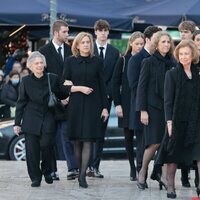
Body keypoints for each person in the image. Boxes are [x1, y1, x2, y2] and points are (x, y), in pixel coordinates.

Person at [13, 51, 71, 187]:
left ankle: (47, 171)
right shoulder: (26, 81)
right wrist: (17, 123)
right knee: (32, 151)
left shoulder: (52, 78)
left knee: (47, 145)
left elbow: (62, 94)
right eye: (36, 63)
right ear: (31, 66)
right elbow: (21, 103)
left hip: (48, 117)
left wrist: (67, 87)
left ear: (44, 64)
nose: (39, 65)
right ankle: (35, 178)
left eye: (41, 63)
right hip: (31, 119)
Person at [62, 32, 109, 188]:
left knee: (88, 140)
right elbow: (64, 85)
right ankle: (79, 171)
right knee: (77, 141)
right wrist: (79, 88)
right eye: (83, 42)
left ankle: (82, 176)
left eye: (88, 42)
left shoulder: (98, 62)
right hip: (75, 105)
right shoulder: (70, 61)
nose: (86, 45)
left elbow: (103, 86)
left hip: (92, 105)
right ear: (77, 45)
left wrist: (105, 108)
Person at [136, 31, 176, 190]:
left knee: (167, 144)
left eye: (168, 42)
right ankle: (143, 171)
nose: (166, 44)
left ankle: (164, 176)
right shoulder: (148, 61)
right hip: (152, 109)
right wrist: (142, 110)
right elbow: (141, 87)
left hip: (170, 109)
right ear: (157, 44)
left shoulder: (174, 62)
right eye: (163, 42)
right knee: (153, 143)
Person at [39, 20, 78, 181]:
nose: (67, 34)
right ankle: (52, 170)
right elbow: (43, 78)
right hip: (51, 101)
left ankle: (72, 168)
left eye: (67, 31)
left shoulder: (71, 51)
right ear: (56, 33)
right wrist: (60, 97)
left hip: (69, 101)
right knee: (50, 138)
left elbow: (74, 75)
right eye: (64, 32)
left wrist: (67, 95)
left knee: (67, 136)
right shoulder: (43, 51)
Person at [162, 40, 200, 198]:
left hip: (196, 120)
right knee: (173, 156)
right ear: (178, 55)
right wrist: (169, 122)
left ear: (193, 56)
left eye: (187, 54)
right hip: (177, 121)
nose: (184, 57)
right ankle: (170, 186)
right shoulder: (171, 74)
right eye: (182, 54)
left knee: (199, 154)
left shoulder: (198, 73)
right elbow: (168, 101)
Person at [127, 26, 161, 181]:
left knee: (158, 143)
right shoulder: (136, 59)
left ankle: (157, 173)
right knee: (142, 144)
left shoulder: (160, 58)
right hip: (142, 108)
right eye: (157, 38)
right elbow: (134, 85)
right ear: (148, 39)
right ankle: (142, 175)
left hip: (159, 109)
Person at [88, 19, 120, 178]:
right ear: (95, 32)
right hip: (87, 97)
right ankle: (84, 166)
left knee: (100, 135)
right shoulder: (88, 48)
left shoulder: (114, 52)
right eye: (100, 30)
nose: (103, 33)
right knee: (86, 133)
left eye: (105, 30)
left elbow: (115, 78)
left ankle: (95, 166)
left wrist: (108, 96)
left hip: (106, 99)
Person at [112, 31, 144, 181]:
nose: (139, 46)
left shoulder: (145, 59)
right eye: (136, 43)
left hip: (140, 103)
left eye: (141, 44)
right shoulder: (123, 60)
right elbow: (114, 84)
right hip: (125, 104)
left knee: (141, 138)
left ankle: (140, 167)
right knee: (128, 138)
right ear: (131, 43)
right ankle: (132, 167)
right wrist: (117, 104)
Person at [178, 20, 196, 188]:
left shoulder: (196, 55)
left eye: (185, 31)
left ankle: (196, 176)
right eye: (181, 32)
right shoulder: (178, 51)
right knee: (183, 141)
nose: (182, 34)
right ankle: (184, 175)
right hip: (181, 106)